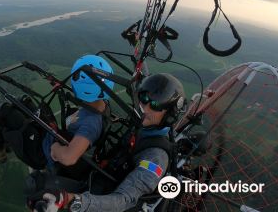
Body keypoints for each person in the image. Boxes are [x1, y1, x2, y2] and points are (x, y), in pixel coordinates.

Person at [30, 73, 186, 212]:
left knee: (36, 187)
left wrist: (70, 200)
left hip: (106, 200)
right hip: (100, 178)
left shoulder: (155, 158)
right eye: (144, 99)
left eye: (156, 105)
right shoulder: (144, 125)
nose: (145, 107)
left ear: (169, 116)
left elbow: (124, 200)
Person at [0, 55, 115, 171]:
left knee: (3, 111)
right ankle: (4, 138)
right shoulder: (99, 103)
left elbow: (69, 158)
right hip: (51, 134)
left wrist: (55, 148)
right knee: (23, 101)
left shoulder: (91, 124)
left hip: (41, 153)